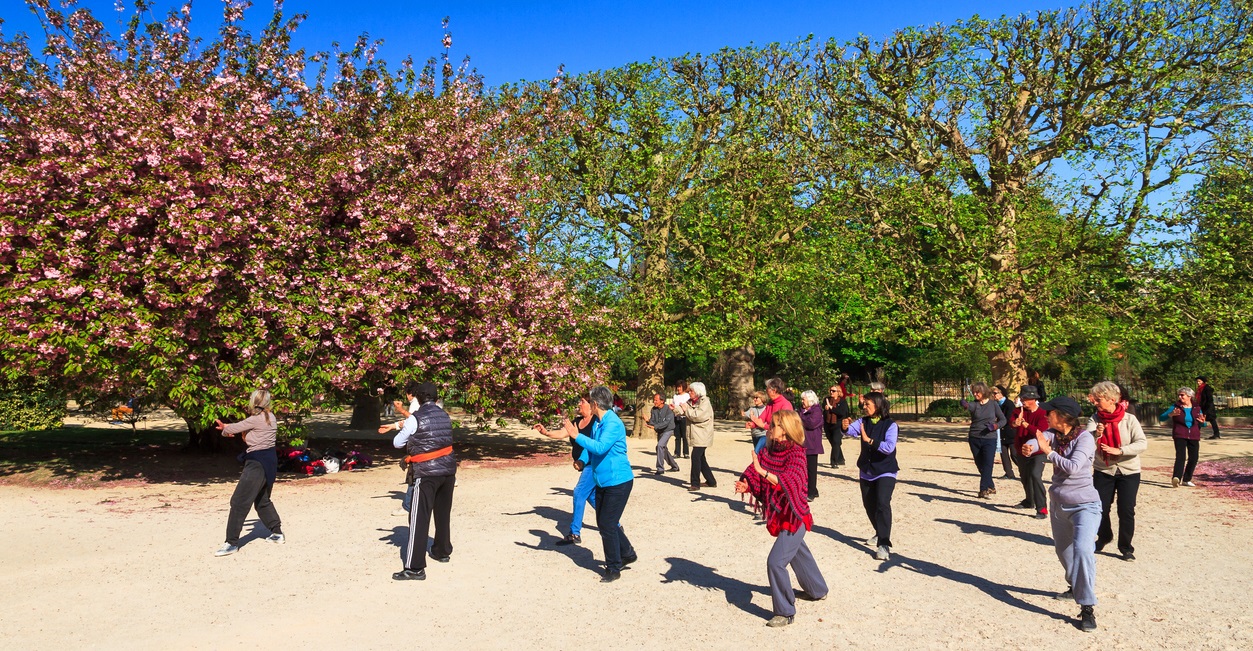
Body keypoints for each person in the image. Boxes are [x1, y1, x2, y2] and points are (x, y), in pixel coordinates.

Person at [734, 409, 829, 628]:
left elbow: (791, 482)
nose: (770, 427)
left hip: (796, 516)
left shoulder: (796, 452)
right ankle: (818, 589)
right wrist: (747, 484)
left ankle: (785, 611)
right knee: (798, 553)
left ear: (785, 429)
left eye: (775, 424)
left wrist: (763, 472)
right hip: (781, 515)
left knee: (775, 562)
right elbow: (755, 472)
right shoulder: (770, 450)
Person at [538, 386, 637, 582]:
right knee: (606, 521)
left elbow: (600, 448)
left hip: (618, 481)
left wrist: (576, 436)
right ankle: (627, 553)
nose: (586, 404)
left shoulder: (613, 423)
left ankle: (613, 567)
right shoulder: (599, 423)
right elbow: (590, 447)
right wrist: (582, 460)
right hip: (603, 480)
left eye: (589, 401)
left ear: (596, 404)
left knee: (606, 524)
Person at [1028, 395, 1099, 633]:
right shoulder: (1053, 434)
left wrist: (1048, 452)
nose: (1047, 415)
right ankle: (1074, 585)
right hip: (1058, 504)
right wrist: (1031, 445)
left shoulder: (1085, 438)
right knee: (1064, 552)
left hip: (1085, 506)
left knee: (1082, 550)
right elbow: (1040, 440)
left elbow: (1072, 466)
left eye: (1051, 412)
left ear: (1063, 416)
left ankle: (1087, 607)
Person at [380, 381, 457, 581]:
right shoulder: (445, 415)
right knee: (442, 513)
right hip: (448, 470)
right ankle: (442, 551)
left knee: (419, 517)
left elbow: (397, 443)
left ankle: (415, 567)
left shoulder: (416, 418)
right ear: (437, 398)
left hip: (426, 472)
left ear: (417, 398)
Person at [213, 389, 284, 557]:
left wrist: (225, 429)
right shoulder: (270, 417)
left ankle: (231, 543)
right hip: (269, 461)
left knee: (238, 501)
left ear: (253, 403)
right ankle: (277, 533)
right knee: (262, 500)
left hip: (257, 463)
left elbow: (237, 428)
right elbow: (242, 428)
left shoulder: (256, 419)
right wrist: (230, 428)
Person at [1086, 381, 1147, 562]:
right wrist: (1096, 434)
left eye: (1099, 399)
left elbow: (1142, 443)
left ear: (1112, 399)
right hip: (1104, 469)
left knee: (1126, 510)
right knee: (1100, 508)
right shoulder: (1095, 419)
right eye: (1095, 400)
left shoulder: (1129, 419)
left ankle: (1126, 547)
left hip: (1129, 470)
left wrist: (1120, 451)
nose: (1095, 403)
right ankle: (1104, 536)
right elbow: (1086, 442)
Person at [533, 394, 599, 545]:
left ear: (591, 405)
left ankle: (574, 533)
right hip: (583, 465)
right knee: (591, 497)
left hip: (591, 464)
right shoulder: (576, 422)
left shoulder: (596, 422)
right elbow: (562, 433)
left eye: (582, 402)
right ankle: (614, 524)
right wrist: (546, 432)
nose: (579, 404)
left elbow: (594, 445)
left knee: (579, 492)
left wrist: (582, 460)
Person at [845, 391, 899, 561]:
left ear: (878, 405)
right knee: (869, 506)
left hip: (886, 471)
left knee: (882, 504)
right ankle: (879, 531)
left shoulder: (891, 425)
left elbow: (889, 447)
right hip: (867, 471)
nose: (865, 406)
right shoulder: (863, 421)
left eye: (868, 404)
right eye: (864, 404)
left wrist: (869, 440)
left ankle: (883, 543)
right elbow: (850, 431)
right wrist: (845, 426)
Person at [961, 382, 1007, 498]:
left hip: (989, 438)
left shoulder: (993, 405)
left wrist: (995, 426)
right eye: (974, 392)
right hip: (974, 437)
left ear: (984, 392)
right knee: (979, 463)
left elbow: (1003, 420)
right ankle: (990, 485)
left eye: (978, 392)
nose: (975, 394)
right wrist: (964, 404)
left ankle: (983, 489)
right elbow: (968, 406)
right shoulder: (975, 405)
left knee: (988, 464)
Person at [1010, 385, 1050, 519]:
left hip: (1038, 452)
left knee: (1035, 475)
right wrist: (1016, 422)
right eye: (1022, 398)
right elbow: (1011, 423)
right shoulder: (1017, 411)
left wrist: (1026, 424)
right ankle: (1029, 501)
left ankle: (1042, 508)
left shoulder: (1042, 413)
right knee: (1025, 476)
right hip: (1021, 449)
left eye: (1026, 398)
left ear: (1033, 399)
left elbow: (1040, 432)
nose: (1023, 401)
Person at [675, 381, 717, 492]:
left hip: (703, 434)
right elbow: (683, 409)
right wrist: (674, 408)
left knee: (695, 456)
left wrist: (685, 409)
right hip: (697, 434)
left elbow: (697, 416)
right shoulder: (691, 401)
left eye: (691, 391)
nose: (689, 392)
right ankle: (711, 481)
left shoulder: (705, 402)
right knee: (701, 458)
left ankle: (695, 483)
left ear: (698, 392)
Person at [1161, 387, 1204, 488]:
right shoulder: (1176, 407)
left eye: (1182, 395)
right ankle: (1176, 478)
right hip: (1180, 434)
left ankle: (1187, 479)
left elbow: (1202, 423)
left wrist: (1203, 423)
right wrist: (1171, 414)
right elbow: (1161, 417)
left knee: (1194, 458)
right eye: (1179, 395)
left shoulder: (1197, 407)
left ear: (1189, 396)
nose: (1180, 397)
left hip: (1194, 435)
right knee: (1181, 457)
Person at [645, 393, 680, 475]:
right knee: (662, 449)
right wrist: (648, 421)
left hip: (668, 430)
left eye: (656, 400)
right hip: (660, 431)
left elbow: (666, 423)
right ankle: (674, 466)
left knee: (660, 446)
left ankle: (660, 468)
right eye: (654, 400)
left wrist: (655, 427)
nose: (654, 402)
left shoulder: (668, 409)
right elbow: (653, 421)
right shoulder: (653, 409)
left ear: (662, 401)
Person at [798, 390, 824, 501]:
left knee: (811, 470)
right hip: (803, 442)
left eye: (803, 399)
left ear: (810, 399)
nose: (802, 401)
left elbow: (811, 424)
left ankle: (811, 493)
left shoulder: (817, 410)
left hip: (813, 443)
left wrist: (801, 418)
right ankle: (813, 490)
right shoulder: (801, 410)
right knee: (803, 468)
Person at [993, 385, 1017, 480]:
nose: (993, 395)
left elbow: (1008, 418)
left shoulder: (1009, 404)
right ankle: (1009, 473)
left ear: (1001, 393)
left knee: (1014, 454)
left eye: (995, 393)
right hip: (1001, 433)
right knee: (1003, 454)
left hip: (1010, 432)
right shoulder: (996, 404)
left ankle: (1024, 471)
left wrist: (997, 422)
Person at [823, 385, 850, 468]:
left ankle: (833, 462)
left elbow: (842, 413)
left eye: (833, 391)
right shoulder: (826, 400)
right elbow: (823, 410)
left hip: (838, 424)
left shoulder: (842, 402)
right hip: (828, 424)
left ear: (838, 392)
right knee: (835, 443)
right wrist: (826, 408)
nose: (831, 392)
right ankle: (841, 459)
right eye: (831, 390)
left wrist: (831, 408)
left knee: (835, 441)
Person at [672, 381, 691, 458]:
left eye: (680, 387)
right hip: (676, 417)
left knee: (685, 435)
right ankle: (677, 452)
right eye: (677, 387)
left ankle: (686, 452)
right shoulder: (675, 396)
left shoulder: (687, 396)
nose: (678, 388)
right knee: (677, 436)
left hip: (684, 417)